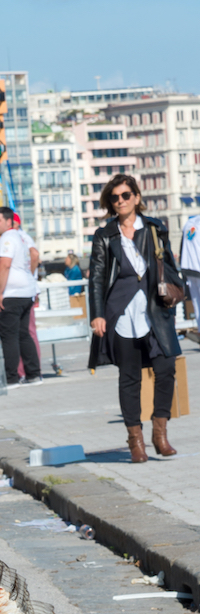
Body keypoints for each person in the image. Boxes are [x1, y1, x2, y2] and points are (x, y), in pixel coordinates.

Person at [89, 173, 182, 462]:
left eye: (125, 195)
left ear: (137, 198)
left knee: (166, 369)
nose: (120, 201)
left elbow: (169, 265)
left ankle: (160, 432)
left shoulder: (154, 228)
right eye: (115, 197)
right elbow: (97, 278)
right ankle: (135, 441)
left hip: (155, 310)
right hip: (121, 314)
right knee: (129, 379)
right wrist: (97, 315)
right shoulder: (105, 235)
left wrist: (174, 296)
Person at [0, 207, 41, 387]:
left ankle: (11, 378)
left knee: (9, 337)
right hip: (25, 292)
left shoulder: (7, 239)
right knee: (23, 334)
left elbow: (4, 265)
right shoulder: (20, 237)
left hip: (12, 294)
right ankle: (33, 374)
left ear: (9, 222)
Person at [179, 213, 200, 328]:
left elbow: (182, 246)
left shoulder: (189, 223)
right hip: (197, 266)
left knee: (197, 305)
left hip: (188, 267)